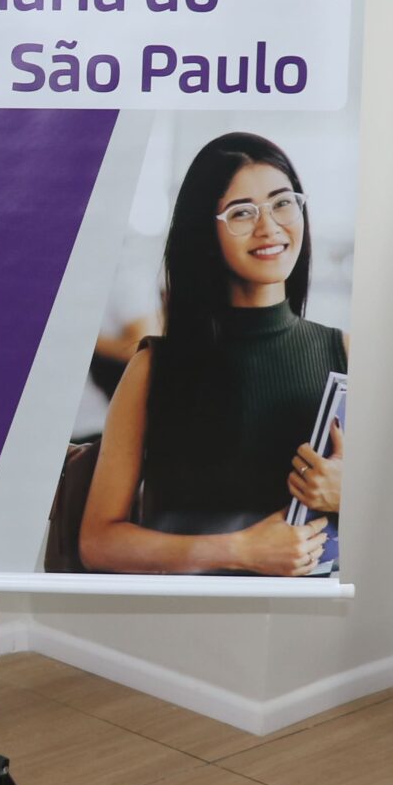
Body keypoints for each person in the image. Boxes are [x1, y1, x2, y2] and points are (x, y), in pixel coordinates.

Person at [77, 132, 348, 575]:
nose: (269, 227)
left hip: (309, 621)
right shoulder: (153, 368)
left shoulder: (345, 353)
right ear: (206, 232)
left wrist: (350, 494)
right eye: (242, 212)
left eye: (283, 203)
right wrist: (242, 550)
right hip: (184, 621)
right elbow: (98, 542)